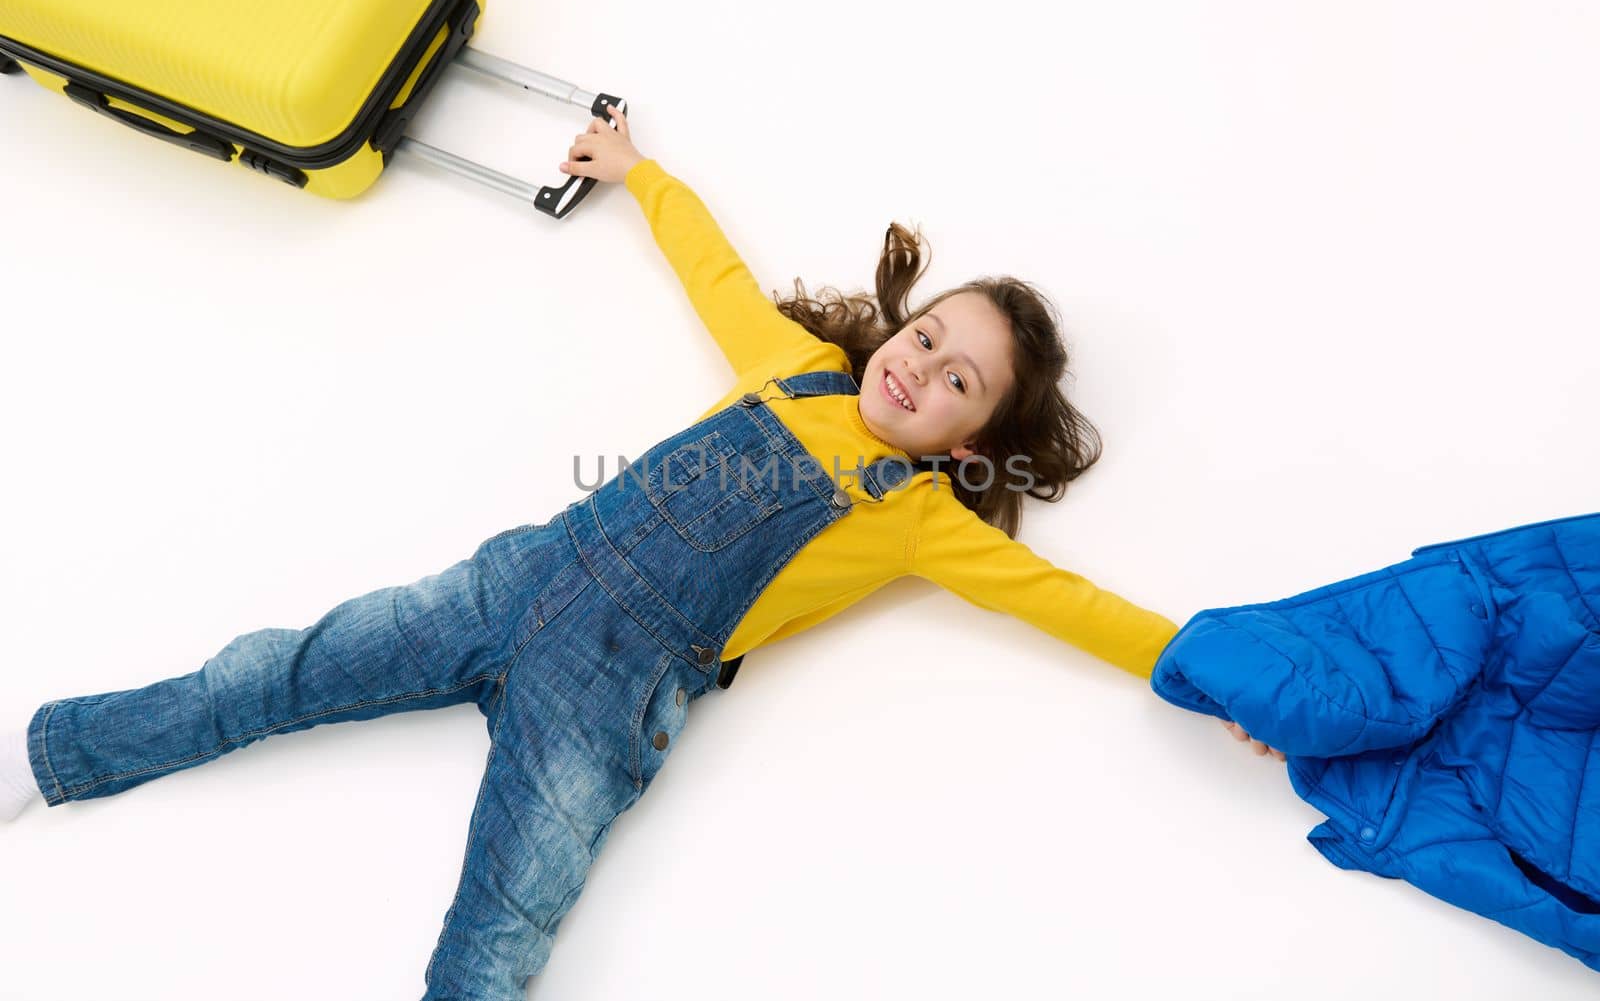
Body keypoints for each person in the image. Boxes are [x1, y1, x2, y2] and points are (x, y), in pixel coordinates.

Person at [0, 107, 1264, 997]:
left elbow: (1068, 603)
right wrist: (638, 169)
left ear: (967, 440)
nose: (918, 367)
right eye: (926, 335)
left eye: (955, 381)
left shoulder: (917, 519)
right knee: (277, 670)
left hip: (608, 697)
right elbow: (715, 273)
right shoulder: (796, 369)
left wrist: (1212, 677)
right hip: (515, 579)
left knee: (506, 917)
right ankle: (50, 752)